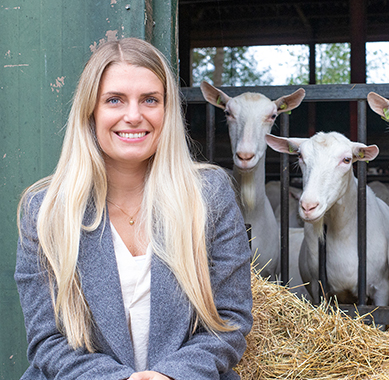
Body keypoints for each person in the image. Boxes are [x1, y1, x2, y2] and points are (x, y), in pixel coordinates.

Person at [14, 38, 253, 380]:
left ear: (167, 111)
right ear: (90, 111)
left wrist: (172, 375)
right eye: (114, 100)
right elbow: (47, 340)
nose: (133, 116)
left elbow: (230, 320)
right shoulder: (46, 210)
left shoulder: (209, 195)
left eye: (150, 100)